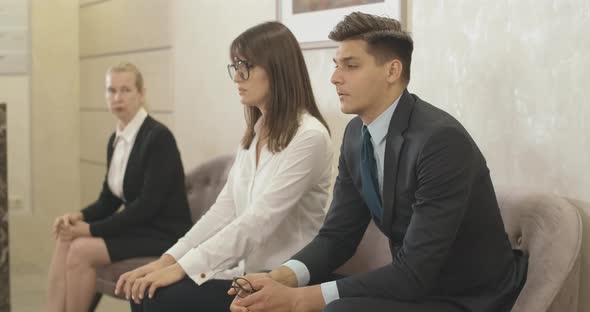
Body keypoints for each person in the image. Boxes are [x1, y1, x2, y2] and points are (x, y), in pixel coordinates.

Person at [229, 12, 528, 312]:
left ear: (392, 71)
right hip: (414, 288)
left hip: (467, 297)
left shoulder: (441, 142)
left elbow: (413, 273)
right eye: (336, 65)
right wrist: (281, 278)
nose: (335, 77)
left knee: (334, 309)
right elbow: (337, 236)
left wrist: (298, 300)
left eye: (351, 65)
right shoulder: (356, 135)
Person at [116, 21, 334, 312]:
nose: (237, 78)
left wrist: (184, 268)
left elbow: (257, 222)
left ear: (277, 69)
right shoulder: (256, 131)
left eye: (245, 67)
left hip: (284, 277)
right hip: (246, 271)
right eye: (234, 67)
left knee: (157, 294)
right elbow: (224, 210)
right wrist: (168, 260)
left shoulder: (310, 136)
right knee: (144, 288)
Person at [46, 62, 192, 312]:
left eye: (125, 90)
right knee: (65, 239)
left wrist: (90, 229)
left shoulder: (158, 138)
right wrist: (78, 217)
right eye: (111, 90)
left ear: (141, 93)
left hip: (162, 232)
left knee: (81, 249)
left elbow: (147, 206)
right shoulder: (116, 139)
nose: (117, 97)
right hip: (139, 228)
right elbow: (109, 199)